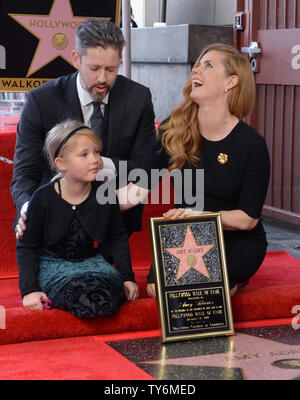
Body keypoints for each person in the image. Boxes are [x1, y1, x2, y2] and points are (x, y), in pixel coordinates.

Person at [119, 43, 270, 297]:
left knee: (204, 289)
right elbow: (136, 191)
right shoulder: (173, 129)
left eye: (208, 65)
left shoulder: (251, 144)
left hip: (235, 240)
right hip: (184, 238)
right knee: (158, 290)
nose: (196, 70)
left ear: (230, 82)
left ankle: (232, 283)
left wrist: (199, 215)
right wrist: (80, 201)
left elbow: (248, 219)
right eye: (197, 64)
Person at [11, 17, 155, 238]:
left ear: (121, 60)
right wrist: (29, 209)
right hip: (53, 220)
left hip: (116, 218)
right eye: (94, 68)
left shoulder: (139, 98)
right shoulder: (41, 100)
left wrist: (95, 163)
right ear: (76, 59)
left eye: (111, 69)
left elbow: (144, 169)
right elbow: (24, 174)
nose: (102, 78)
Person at [17, 120, 139, 317]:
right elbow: (27, 246)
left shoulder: (105, 193)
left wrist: (126, 277)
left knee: (108, 292)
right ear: (61, 163)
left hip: (91, 262)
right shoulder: (42, 198)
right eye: (84, 154)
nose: (95, 160)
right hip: (54, 264)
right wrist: (29, 290)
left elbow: (117, 236)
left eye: (97, 152)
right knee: (81, 295)